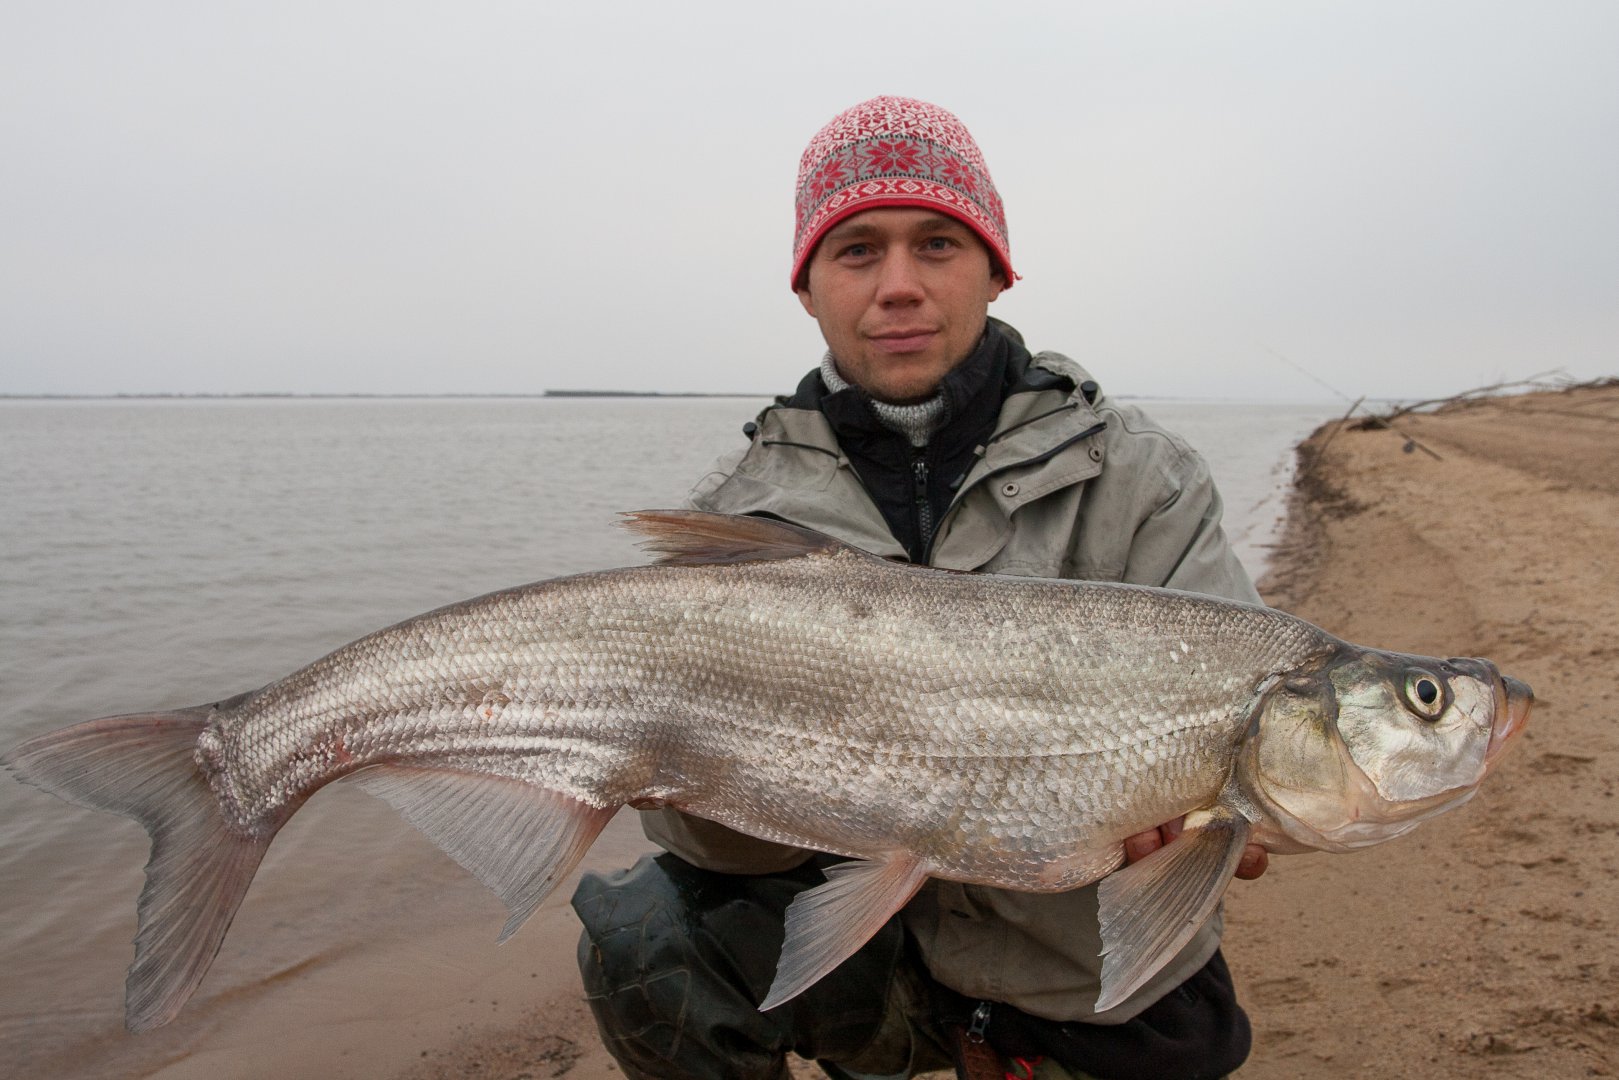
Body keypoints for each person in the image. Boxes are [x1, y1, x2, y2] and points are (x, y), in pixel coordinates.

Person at [572, 95, 1268, 1080]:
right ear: (806, 287)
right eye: (856, 251)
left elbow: (1238, 796)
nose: (898, 285)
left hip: (1078, 972)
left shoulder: (1140, 481)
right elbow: (717, 859)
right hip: (873, 949)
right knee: (643, 935)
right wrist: (702, 775)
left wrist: (1183, 817)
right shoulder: (745, 518)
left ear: (995, 268)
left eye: (936, 244)